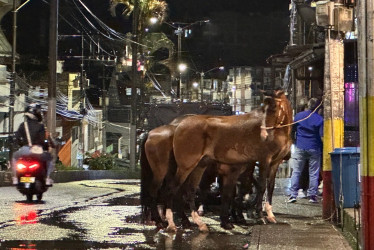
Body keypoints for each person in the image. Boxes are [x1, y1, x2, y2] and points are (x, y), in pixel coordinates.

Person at [288, 98, 323, 203]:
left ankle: (293, 194)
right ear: (317, 107)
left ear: (308, 105)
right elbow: (321, 136)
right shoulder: (319, 119)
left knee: (296, 171)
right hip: (314, 147)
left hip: (300, 147)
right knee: (313, 173)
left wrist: (294, 141)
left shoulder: (299, 116)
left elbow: (291, 130)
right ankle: (312, 195)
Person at [11, 103, 54, 186]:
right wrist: (46, 147)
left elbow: (16, 138)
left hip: (25, 150)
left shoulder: (23, 125)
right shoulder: (40, 126)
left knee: (15, 157)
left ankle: (15, 177)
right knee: (49, 159)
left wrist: (18, 144)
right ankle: (47, 178)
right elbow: (42, 140)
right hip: (37, 150)